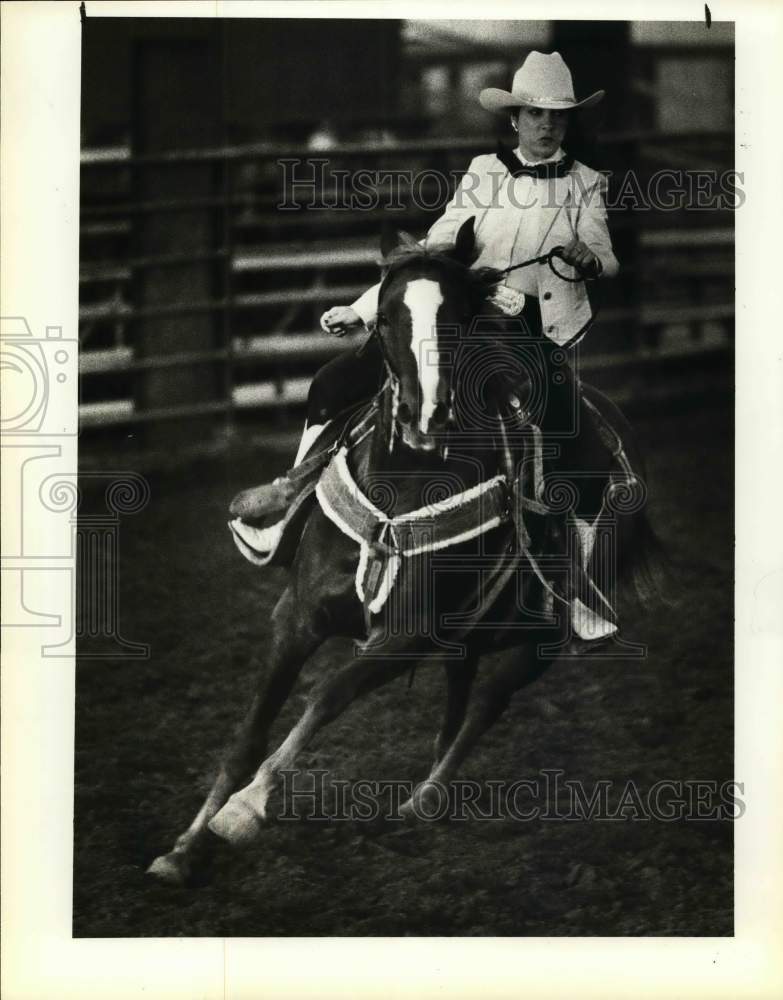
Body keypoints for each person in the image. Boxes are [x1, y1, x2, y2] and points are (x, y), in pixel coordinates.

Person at [232, 51, 618, 556]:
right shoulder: (484, 172)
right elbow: (429, 252)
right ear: (514, 118)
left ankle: (576, 575)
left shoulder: (587, 183)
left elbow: (608, 260)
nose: (546, 125)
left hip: (531, 327)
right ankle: (291, 496)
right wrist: (364, 308)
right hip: (465, 313)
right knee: (333, 382)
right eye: (535, 114)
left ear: (569, 121)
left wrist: (588, 258)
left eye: (557, 115)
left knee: (568, 424)